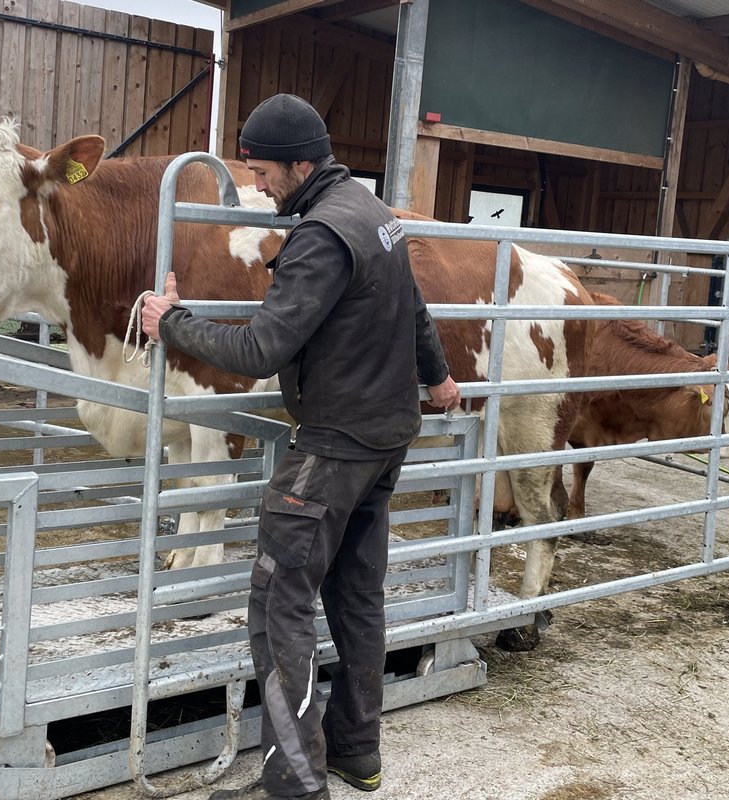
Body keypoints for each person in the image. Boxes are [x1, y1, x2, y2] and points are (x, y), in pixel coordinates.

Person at [141, 93, 460, 800]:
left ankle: (296, 779)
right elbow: (413, 310)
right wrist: (437, 380)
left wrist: (173, 321)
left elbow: (260, 347)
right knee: (356, 597)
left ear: (299, 162)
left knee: (277, 601)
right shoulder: (374, 215)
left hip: (334, 446)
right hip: (386, 437)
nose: (254, 184)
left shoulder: (318, 236)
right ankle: (358, 756)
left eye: (261, 171)